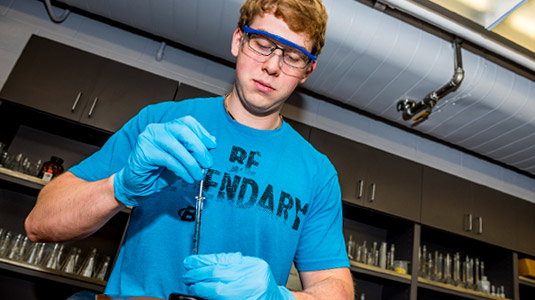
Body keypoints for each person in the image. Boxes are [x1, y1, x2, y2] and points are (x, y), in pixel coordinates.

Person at [25, 0, 354, 299]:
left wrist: (279, 299)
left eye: (293, 57)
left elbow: (336, 289)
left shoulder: (317, 173)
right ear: (238, 40)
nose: (272, 66)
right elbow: (39, 223)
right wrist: (120, 186)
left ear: (307, 71)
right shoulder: (160, 122)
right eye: (263, 45)